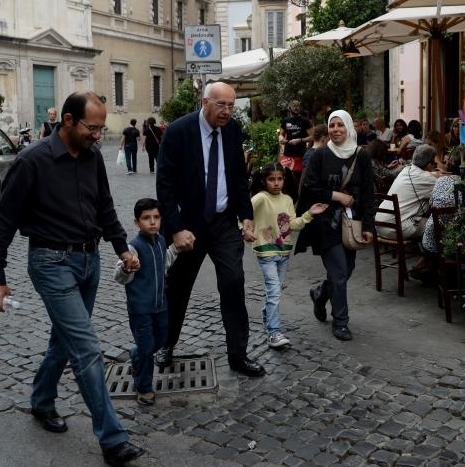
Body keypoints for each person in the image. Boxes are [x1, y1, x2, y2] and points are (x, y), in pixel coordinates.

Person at [0, 91, 144, 467]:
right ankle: (113, 439)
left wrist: (121, 247)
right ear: (68, 121)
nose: (97, 135)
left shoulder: (92, 158)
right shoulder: (32, 160)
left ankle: (41, 400)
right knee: (86, 348)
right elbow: (2, 220)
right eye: (92, 127)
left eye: (102, 128)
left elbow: (104, 204)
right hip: (50, 261)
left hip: (90, 261)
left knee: (64, 339)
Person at [154, 82, 265, 377]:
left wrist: (246, 215)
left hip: (223, 223)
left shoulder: (231, 130)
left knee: (234, 281)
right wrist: (175, 229)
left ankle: (238, 355)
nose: (227, 112)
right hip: (188, 225)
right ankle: (166, 343)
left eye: (231, 105)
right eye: (221, 105)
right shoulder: (179, 131)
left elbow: (239, 176)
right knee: (177, 287)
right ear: (205, 102)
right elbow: (164, 186)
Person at [296, 110, 375, 341]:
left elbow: (368, 193)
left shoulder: (361, 156)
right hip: (325, 222)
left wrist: (369, 226)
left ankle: (320, 294)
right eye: (332, 125)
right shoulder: (320, 155)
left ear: (349, 127)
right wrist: (336, 196)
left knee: (346, 270)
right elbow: (309, 187)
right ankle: (341, 322)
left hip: (352, 223)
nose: (336, 129)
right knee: (339, 272)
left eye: (341, 125)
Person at [250, 162, 327, 349]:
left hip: (284, 253)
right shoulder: (260, 198)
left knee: (275, 291)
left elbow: (293, 225)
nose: (276, 183)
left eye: (279, 179)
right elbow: (243, 214)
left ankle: (268, 316)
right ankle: (274, 333)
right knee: (274, 292)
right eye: (271, 179)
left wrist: (309, 213)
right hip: (266, 252)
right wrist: (244, 230)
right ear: (264, 181)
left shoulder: (287, 200)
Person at [113, 198, 177, 407]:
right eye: (146, 218)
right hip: (140, 309)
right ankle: (144, 387)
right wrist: (126, 267)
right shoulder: (133, 248)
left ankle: (136, 353)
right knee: (147, 346)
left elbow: (165, 262)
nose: (152, 222)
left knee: (160, 339)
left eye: (156, 217)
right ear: (136, 222)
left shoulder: (160, 242)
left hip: (161, 305)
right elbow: (120, 276)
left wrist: (176, 248)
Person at [377, 144, 440, 241]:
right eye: (434, 164)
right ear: (429, 165)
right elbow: (443, 189)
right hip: (396, 228)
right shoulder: (427, 179)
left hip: (380, 224)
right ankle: (429, 252)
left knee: (422, 207)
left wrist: (432, 174)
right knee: (438, 222)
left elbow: (421, 176)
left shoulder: (405, 170)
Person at [279, 99, 311, 180]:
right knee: (287, 180)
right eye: (294, 106)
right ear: (289, 108)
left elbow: (313, 137)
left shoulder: (305, 121)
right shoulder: (285, 120)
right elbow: (281, 134)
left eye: (297, 106)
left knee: (299, 180)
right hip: (287, 155)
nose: (296, 108)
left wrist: (300, 140)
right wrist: (281, 138)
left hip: (300, 156)